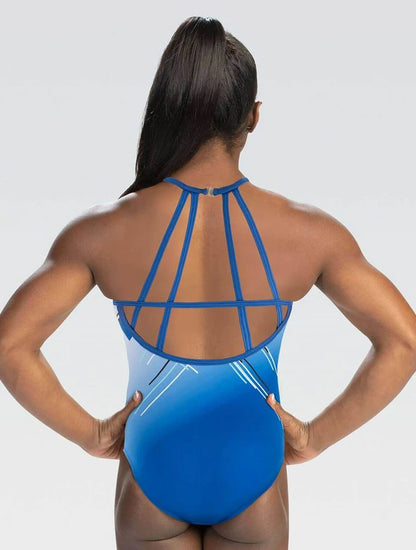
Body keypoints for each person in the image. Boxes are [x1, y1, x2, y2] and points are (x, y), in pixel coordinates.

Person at [0, 15, 415, 550]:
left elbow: (10, 345)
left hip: (153, 468)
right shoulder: (310, 233)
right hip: (252, 470)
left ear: (169, 108)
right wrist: (315, 438)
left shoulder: (101, 231)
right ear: (253, 116)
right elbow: (404, 341)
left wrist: (92, 434)